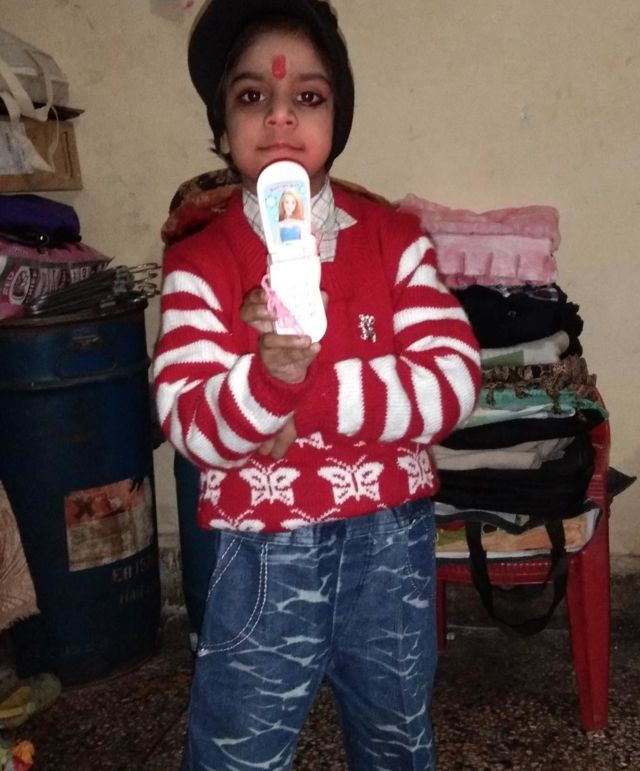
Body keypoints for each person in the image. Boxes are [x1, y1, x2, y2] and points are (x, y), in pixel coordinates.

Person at [152, 0, 481, 768]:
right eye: (251, 96)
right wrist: (267, 379)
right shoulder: (201, 262)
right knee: (237, 750)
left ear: (339, 117)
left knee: (396, 739)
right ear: (222, 128)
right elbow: (189, 420)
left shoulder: (395, 242)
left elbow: (453, 380)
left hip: (389, 547)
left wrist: (315, 395)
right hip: (264, 553)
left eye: (307, 96)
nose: (279, 117)